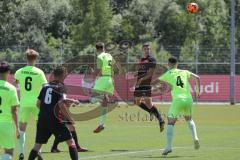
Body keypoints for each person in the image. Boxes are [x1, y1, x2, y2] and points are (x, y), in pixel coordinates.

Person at [28, 66, 79, 160]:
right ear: (63, 75)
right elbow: (61, 103)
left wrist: (46, 111)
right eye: (65, 74)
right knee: (71, 142)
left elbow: (38, 104)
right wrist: (68, 118)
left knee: (37, 146)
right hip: (55, 119)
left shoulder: (45, 86)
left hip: (42, 119)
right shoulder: (61, 86)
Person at [159, 57, 200, 155]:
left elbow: (159, 84)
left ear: (168, 64)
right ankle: (195, 138)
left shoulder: (168, 74)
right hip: (188, 99)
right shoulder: (184, 72)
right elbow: (198, 78)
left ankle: (168, 147)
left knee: (170, 122)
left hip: (177, 100)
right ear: (177, 64)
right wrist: (198, 91)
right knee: (189, 119)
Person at [14, 49, 47, 160]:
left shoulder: (19, 71)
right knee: (40, 128)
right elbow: (45, 87)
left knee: (22, 129)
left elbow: (15, 85)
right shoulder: (39, 72)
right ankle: (39, 151)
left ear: (26, 58)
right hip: (37, 104)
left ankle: (21, 153)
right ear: (36, 59)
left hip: (24, 103)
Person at [134, 43, 165, 132]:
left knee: (147, 103)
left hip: (145, 84)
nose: (147, 50)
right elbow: (141, 71)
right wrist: (134, 73)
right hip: (139, 83)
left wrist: (141, 80)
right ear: (142, 50)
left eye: (148, 49)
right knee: (138, 102)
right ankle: (156, 116)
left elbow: (150, 73)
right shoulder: (142, 59)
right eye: (145, 49)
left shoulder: (152, 59)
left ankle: (160, 120)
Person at [92, 42, 118, 133]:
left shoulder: (99, 57)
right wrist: (112, 79)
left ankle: (102, 99)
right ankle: (102, 124)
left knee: (92, 97)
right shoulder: (109, 55)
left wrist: (93, 75)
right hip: (110, 79)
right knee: (104, 100)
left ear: (96, 50)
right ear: (103, 48)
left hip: (103, 79)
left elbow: (98, 70)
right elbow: (115, 68)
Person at [0, 61, 20, 160]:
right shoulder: (11, 88)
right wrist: (17, 128)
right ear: (8, 72)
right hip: (6, 125)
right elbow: (14, 111)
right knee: (9, 152)